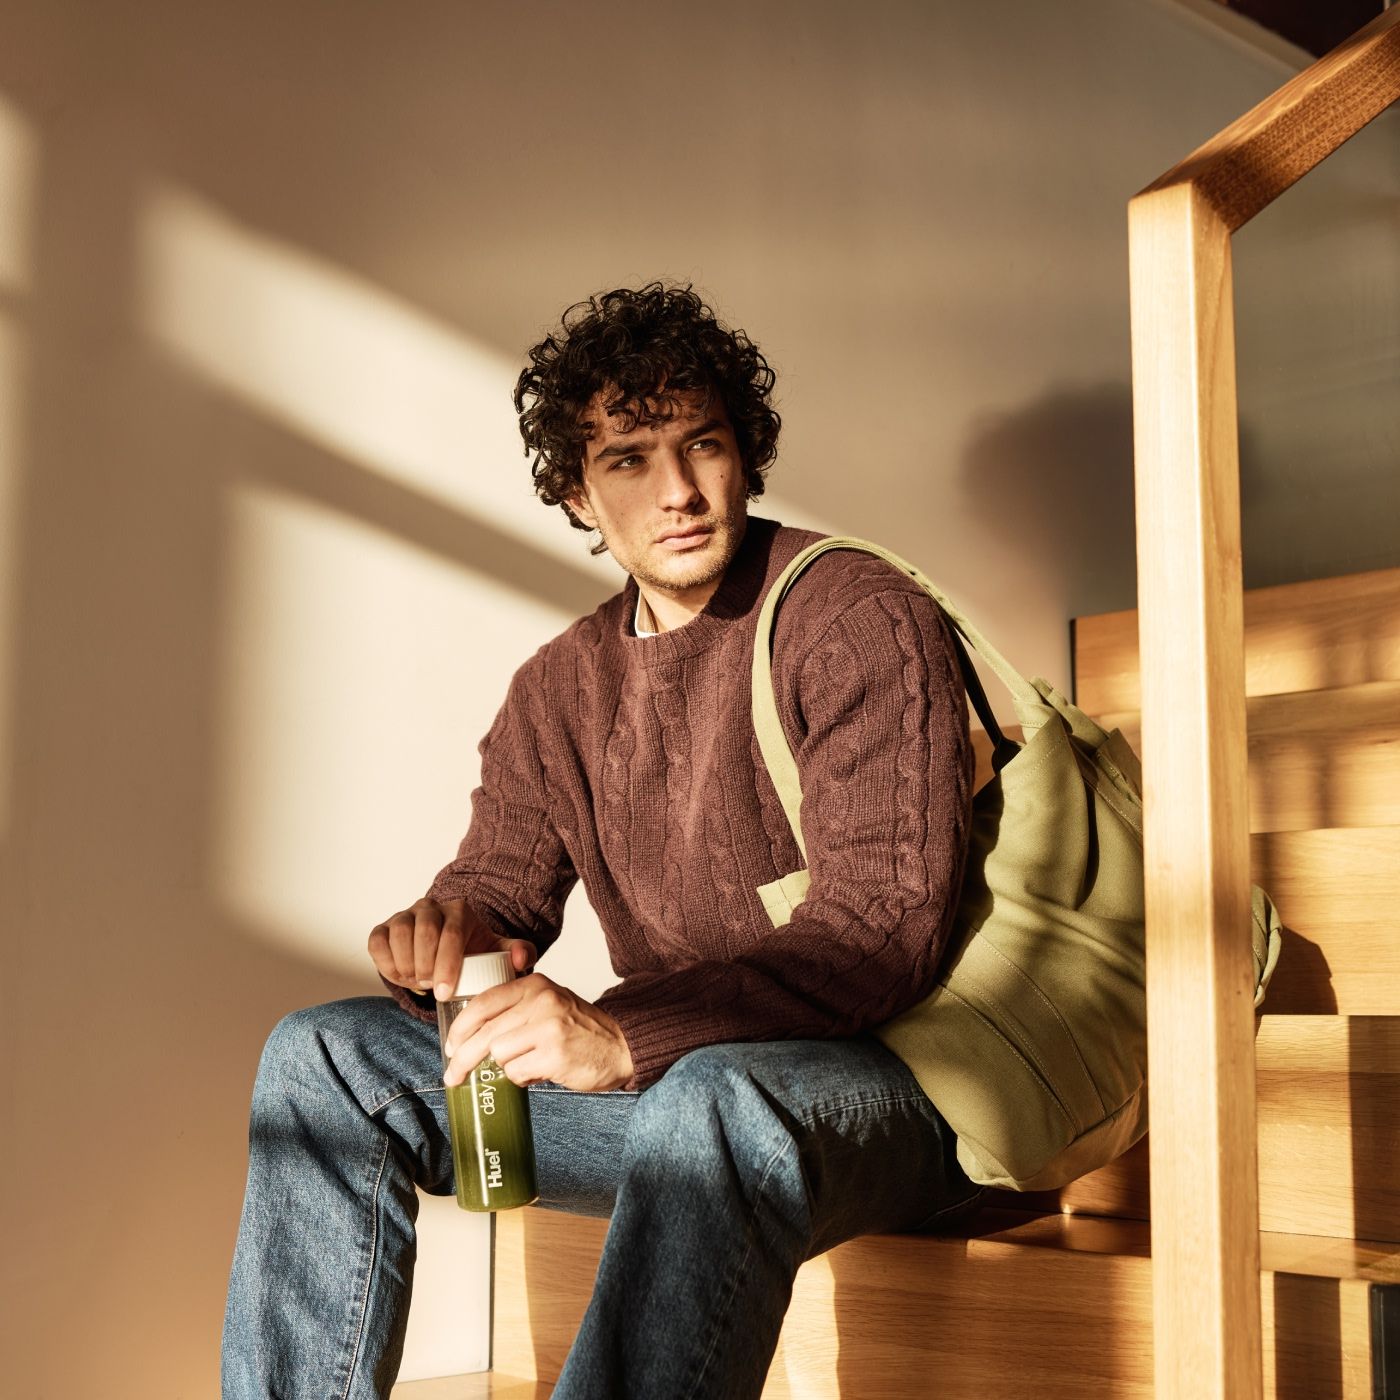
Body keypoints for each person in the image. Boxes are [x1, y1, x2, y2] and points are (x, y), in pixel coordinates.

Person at [221, 282, 982, 1400]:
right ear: (577, 494)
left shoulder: (850, 614)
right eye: (628, 458)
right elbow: (499, 888)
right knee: (321, 1056)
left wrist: (623, 1038)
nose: (676, 491)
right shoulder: (560, 688)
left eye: (702, 445)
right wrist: (445, 931)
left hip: (879, 1098)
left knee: (711, 1095)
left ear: (743, 454)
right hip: (679, 1105)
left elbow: (878, 937)